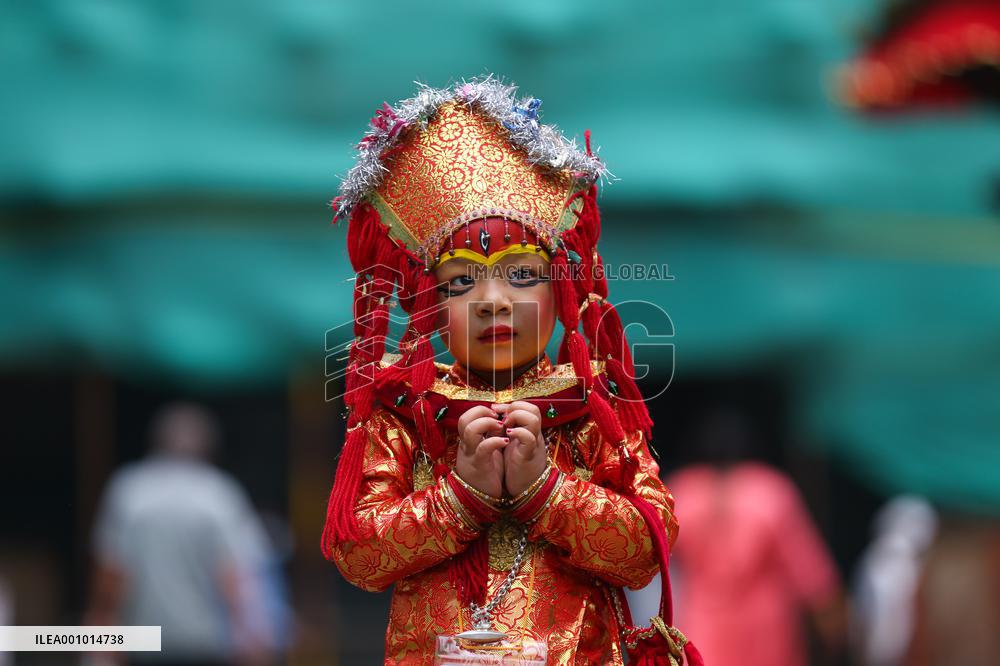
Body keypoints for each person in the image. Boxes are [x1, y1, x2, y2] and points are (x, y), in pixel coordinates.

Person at [322, 77, 702, 665]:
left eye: (521, 275)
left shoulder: (590, 407)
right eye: (461, 282)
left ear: (563, 291)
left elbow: (646, 549)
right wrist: (461, 494)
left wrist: (544, 489)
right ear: (426, 303)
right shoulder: (403, 413)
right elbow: (359, 556)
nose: (493, 300)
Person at [85, 402, 278, 666]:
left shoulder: (130, 491)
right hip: (206, 644)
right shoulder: (219, 494)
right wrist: (254, 642)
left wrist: (101, 636)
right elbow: (236, 578)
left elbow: (112, 575)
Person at [665, 407, 845, 666]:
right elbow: (813, 577)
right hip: (767, 643)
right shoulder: (771, 492)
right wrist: (835, 636)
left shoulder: (683, 492)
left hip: (700, 639)